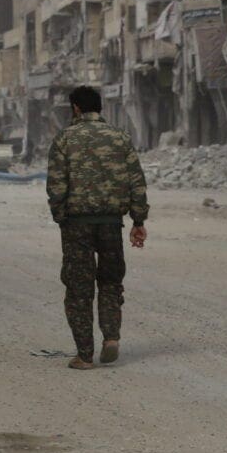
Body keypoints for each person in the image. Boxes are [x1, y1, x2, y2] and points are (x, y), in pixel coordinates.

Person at [45, 85, 148, 370]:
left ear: (75, 108)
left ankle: (85, 355)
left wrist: (60, 216)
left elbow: (56, 184)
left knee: (79, 288)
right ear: (99, 107)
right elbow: (136, 182)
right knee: (111, 282)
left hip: (76, 224)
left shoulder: (65, 138)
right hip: (111, 224)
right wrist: (138, 220)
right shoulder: (119, 137)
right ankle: (111, 337)